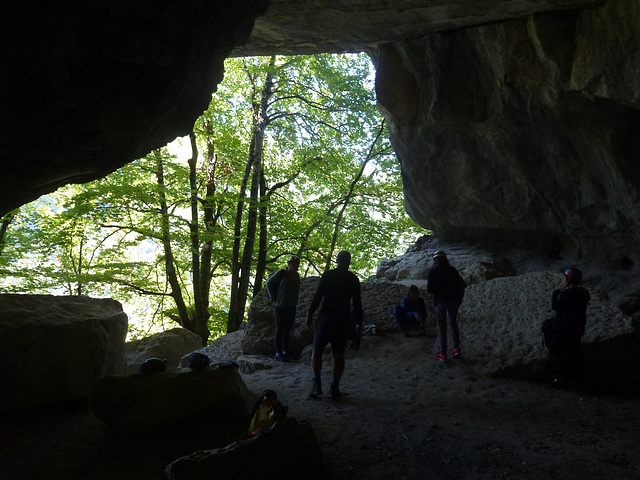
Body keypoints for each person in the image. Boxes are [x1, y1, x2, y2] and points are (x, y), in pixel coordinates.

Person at [306, 250, 363, 400]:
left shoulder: (328, 275)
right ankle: (334, 387)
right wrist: (359, 322)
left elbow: (318, 296)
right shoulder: (353, 279)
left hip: (326, 318)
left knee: (317, 352)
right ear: (349, 262)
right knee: (338, 355)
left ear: (336, 261)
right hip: (342, 319)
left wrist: (310, 314)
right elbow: (357, 303)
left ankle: (316, 385)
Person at [548, 267, 590, 387]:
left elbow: (555, 307)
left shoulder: (568, 294)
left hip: (565, 327)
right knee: (573, 352)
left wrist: (555, 294)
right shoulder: (583, 293)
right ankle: (575, 380)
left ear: (569, 279)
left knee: (554, 349)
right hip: (577, 328)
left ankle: (559, 377)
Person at [427, 250, 467, 361]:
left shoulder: (433, 272)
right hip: (453, 301)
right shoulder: (452, 270)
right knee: (453, 324)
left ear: (435, 260)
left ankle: (443, 353)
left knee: (442, 327)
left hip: (440, 301)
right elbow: (463, 284)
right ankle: (456, 349)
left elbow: (429, 289)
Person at [266, 255, 301, 362]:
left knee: (287, 329)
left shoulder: (296, 275)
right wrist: (273, 297)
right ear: (289, 264)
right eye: (293, 264)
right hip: (280, 306)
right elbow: (269, 283)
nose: (295, 266)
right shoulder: (282, 273)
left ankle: (285, 351)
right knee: (280, 329)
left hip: (291, 306)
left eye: (297, 264)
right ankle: (278, 353)